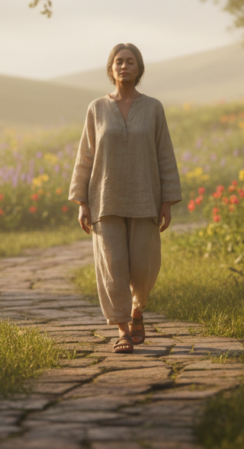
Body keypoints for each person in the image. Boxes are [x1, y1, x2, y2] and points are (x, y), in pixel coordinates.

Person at [68, 43, 182, 354]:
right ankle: (122, 330)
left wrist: (167, 200)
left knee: (144, 267)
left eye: (130, 61)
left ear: (139, 68)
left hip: (145, 199)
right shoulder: (96, 108)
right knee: (113, 266)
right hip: (105, 199)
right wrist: (82, 202)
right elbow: (85, 156)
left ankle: (136, 310)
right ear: (110, 69)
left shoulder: (153, 108)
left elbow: (165, 154)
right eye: (118, 61)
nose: (124, 66)